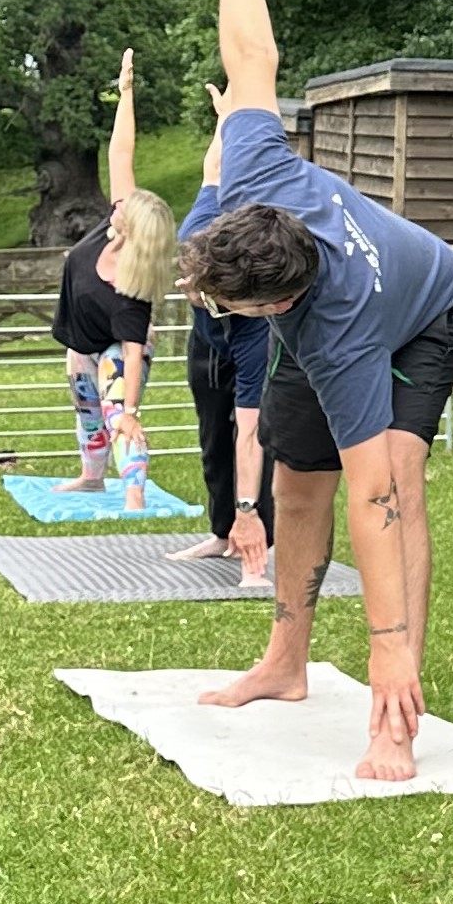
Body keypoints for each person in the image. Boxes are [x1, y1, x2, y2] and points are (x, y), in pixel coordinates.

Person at [181, 0, 453, 782]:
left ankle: (400, 705)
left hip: (425, 308)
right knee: (295, 480)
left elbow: (375, 500)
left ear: (272, 307)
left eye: (221, 307)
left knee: (399, 478)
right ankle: (287, 662)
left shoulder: (338, 335)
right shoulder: (257, 166)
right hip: (324, 312)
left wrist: (382, 647)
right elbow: (252, 55)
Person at [50, 50, 179, 513]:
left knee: (114, 412)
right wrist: (126, 94)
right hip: (83, 343)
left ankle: (135, 492)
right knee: (86, 410)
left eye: (124, 208)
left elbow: (129, 350)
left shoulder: (131, 288)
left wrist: (130, 409)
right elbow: (120, 151)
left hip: (118, 350)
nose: (116, 205)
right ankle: (91, 477)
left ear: (134, 232)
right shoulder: (118, 221)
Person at [168, 86, 274, 581]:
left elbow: (250, 432)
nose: (188, 292)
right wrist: (225, 119)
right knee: (213, 436)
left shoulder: (255, 316)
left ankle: (259, 537)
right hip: (208, 345)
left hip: (250, 336)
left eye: (200, 292)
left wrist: (249, 507)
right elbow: (213, 167)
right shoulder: (201, 223)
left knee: (252, 436)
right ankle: (220, 531)